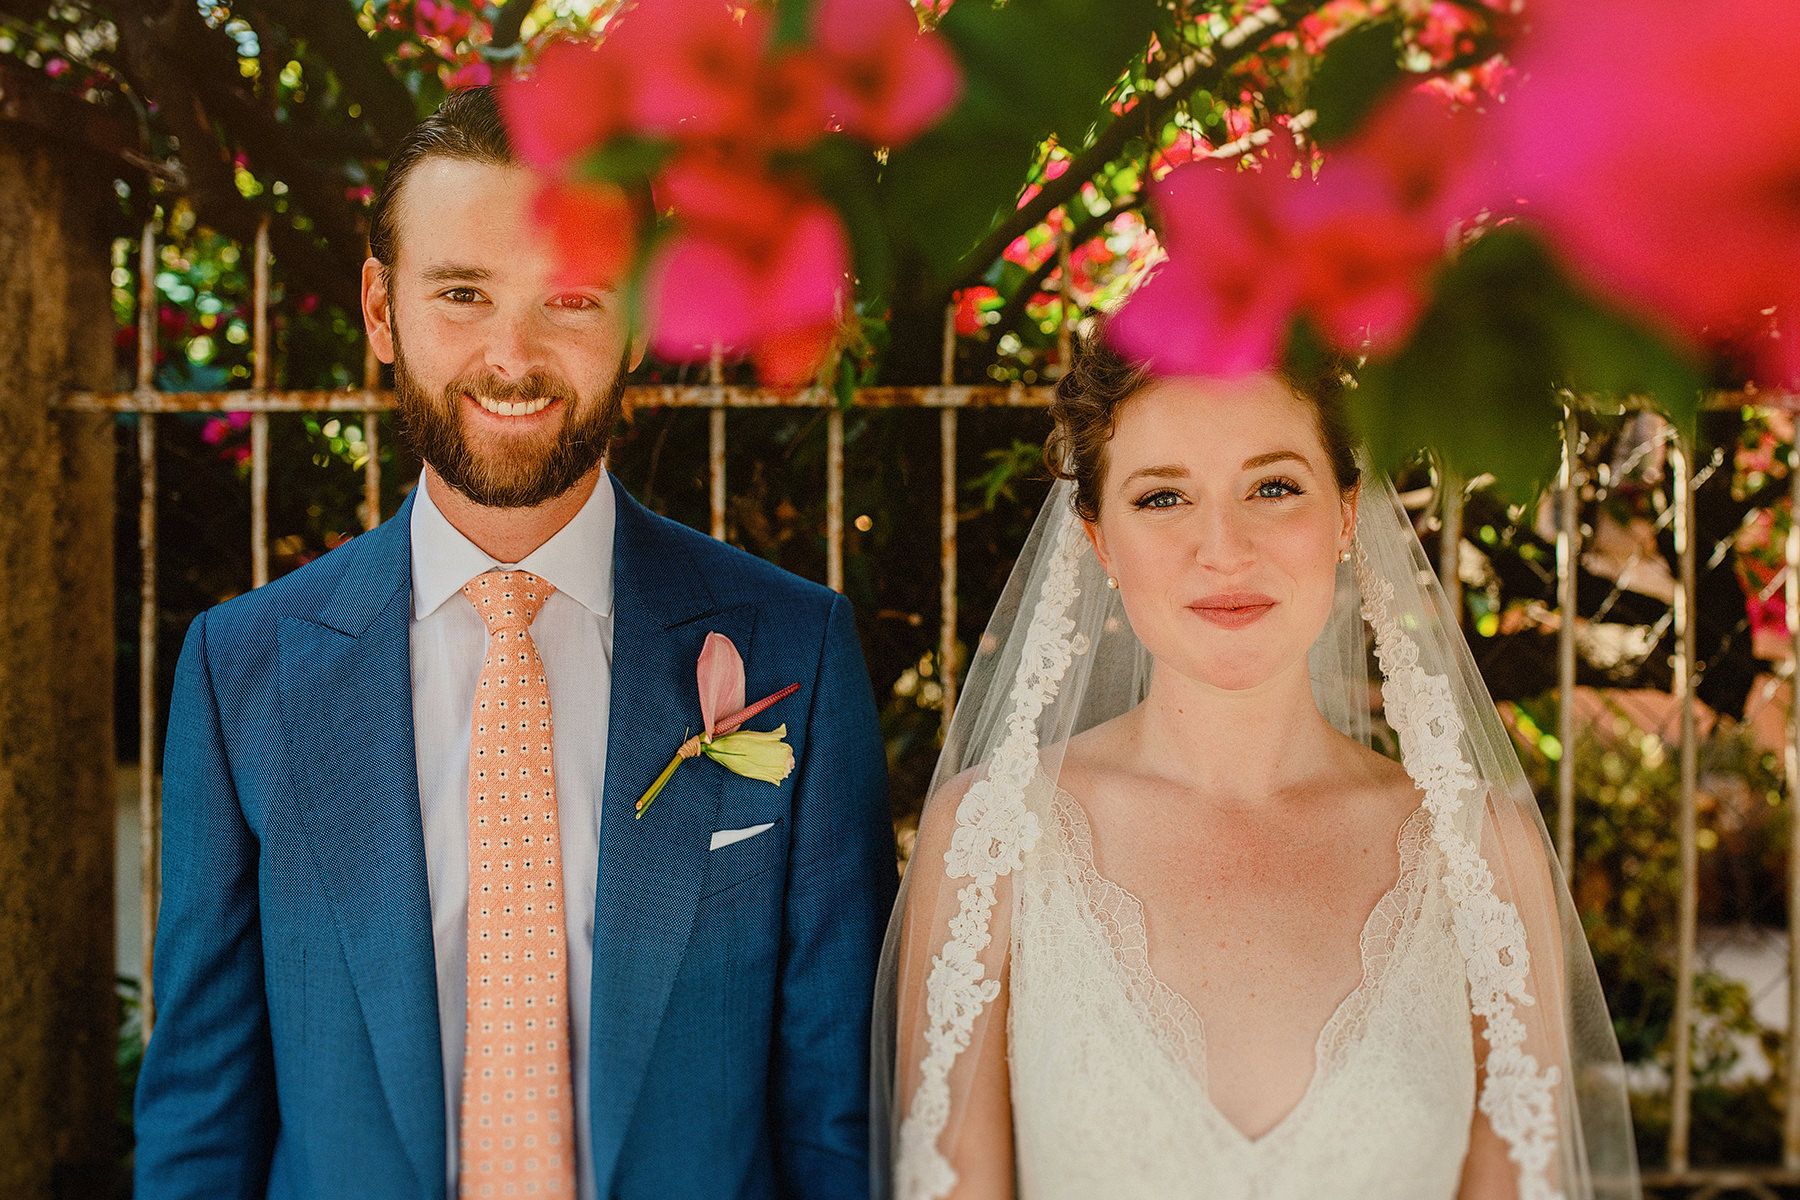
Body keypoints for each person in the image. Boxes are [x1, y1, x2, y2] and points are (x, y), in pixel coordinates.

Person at [134, 86, 895, 1200]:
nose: (512, 355)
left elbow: (837, 1122)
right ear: (382, 310)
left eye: (570, 299)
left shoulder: (797, 652)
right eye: (461, 294)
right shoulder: (241, 672)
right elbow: (201, 1120)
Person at [877, 340, 1639, 1199]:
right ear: (1099, 540)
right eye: (1162, 496)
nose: (1224, 548)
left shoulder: (1482, 857)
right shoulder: (992, 840)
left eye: (1273, 486)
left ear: (1347, 513)